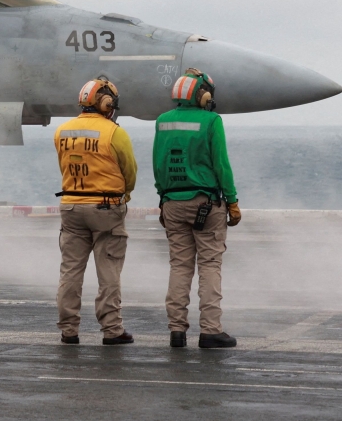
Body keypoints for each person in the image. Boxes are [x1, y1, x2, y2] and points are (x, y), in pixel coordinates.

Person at [153, 68, 241, 349]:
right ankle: (210, 331)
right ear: (202, 95)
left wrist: (163, 197)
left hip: (171, 202)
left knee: (179, 266)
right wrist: (233, 201)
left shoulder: (163, 121)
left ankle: (177, 331)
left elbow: (159, 164)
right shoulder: (211, 120)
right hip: (206, 204)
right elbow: (221, 165)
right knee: (209, 265)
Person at [53, 78, 137, 345]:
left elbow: (63, 166)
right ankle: (112, 330)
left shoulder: (62, 131)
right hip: (106, 208)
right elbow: (129, 172)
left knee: (70, 271)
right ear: (106, 103)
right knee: (108, 270)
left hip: (71, 205)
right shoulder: (115, 132)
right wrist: (125, 194)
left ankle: (68, 330)